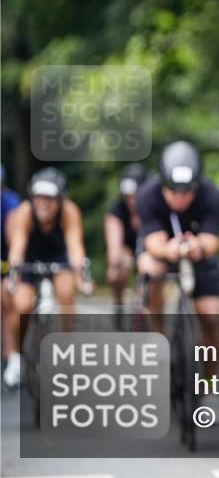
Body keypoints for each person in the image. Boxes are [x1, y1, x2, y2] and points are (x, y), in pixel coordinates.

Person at [135, 140, 219, 416]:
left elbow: (211, 241)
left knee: (210, 316)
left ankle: (209, 388)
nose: (180, 198)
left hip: (198, 251)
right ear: (162, 184)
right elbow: (152, 242)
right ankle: (157, 339)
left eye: (187, 192)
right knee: (152, 271)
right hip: (161, 247)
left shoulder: (213, 196)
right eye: (173, 191)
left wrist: (196, 247)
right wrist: (169, 249)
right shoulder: (147, 195)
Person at [3, 167, 88, 388]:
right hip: (30, 258)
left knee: (66, 291)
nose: (43, 203)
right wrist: (14, 272)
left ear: (60, 199)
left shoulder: (69, 212)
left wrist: (80, 272)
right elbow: (17, 246)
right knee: (21, 304)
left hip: (59, 258)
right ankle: (15, 357)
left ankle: (67, 351)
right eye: (39, 197)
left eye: (49, 198)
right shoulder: (24, 212)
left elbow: (75, 245)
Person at [105, 164, 148, 327]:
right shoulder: (117, 211)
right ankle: (119, 305)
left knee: (147, 275)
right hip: (127, 248)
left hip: (149, 249)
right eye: (127, 196)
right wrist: (119, 260)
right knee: (115, 273)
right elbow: (114, 249)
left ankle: (142, 305)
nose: (131, 201)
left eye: (135, 196)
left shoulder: (153, 208)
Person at [1, 164, 22, 372]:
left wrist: (10, 271)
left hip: (6, 259)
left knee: (6, 297)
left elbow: (13, 239)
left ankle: (10, 352)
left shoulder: (11, 203)